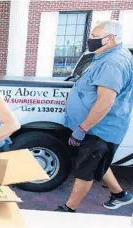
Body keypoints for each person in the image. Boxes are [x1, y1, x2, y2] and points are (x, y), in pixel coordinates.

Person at [56, 20, 133, 212]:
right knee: (96, 162)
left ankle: (68, 210)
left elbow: (105, 102)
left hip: (98, 129)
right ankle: (120, 194)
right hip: (94, 127)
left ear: (111, 38)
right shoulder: (105, 55)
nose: (90, 40)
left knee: (85, 170)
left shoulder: (113, 63)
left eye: (94, 36)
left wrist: (82, 129)